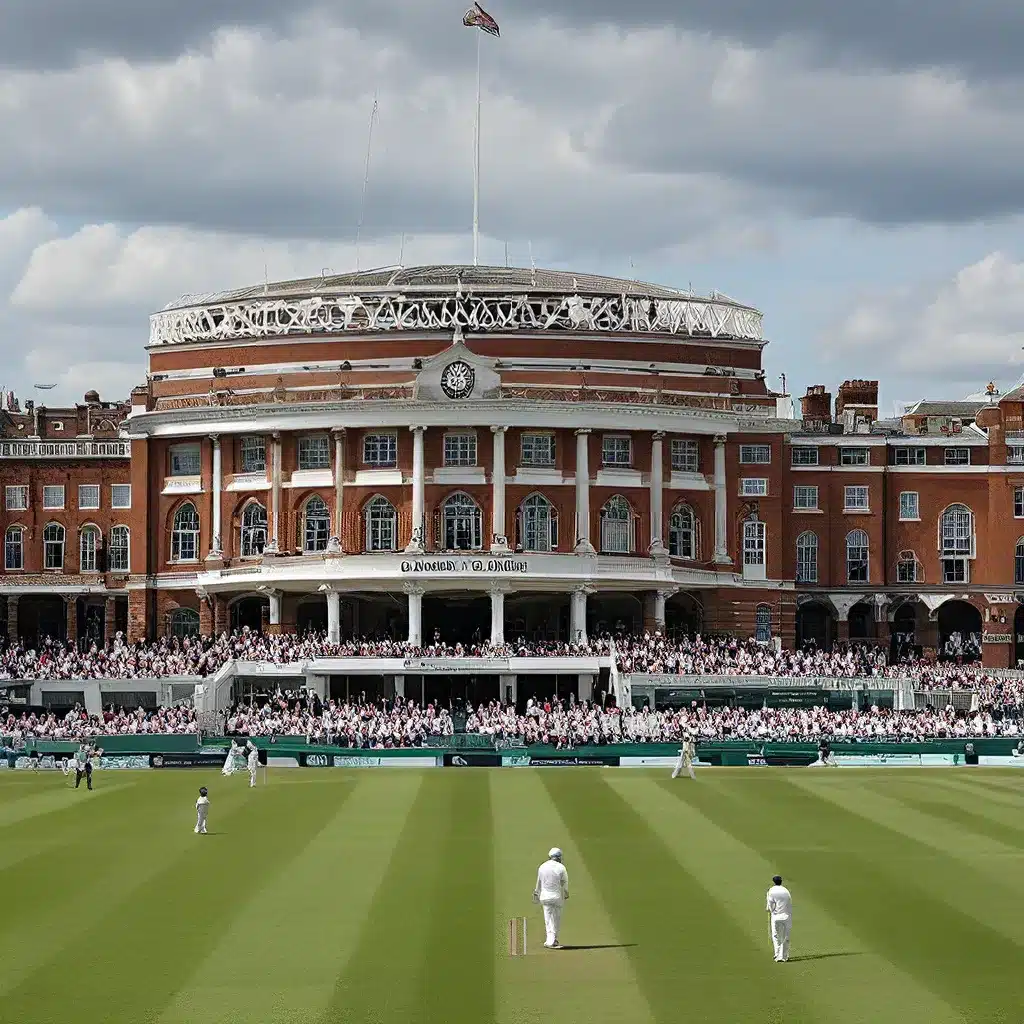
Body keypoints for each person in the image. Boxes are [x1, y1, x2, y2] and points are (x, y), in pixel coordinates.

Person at [533, 847, 570, 949]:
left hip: (544, 897)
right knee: (556, 919)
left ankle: (550, 940)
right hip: (556, 897)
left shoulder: (542, 867)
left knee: (548, 919)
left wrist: (536, 893)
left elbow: (538, 882)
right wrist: (566, 893)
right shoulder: (561, 867)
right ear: (558, 857)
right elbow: (565, 882)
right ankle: (552, 940)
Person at [766, 874, 793, 962]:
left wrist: (770, 910)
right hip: (786, 916)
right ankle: (784, 956)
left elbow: (770, 905)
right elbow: (789, 903)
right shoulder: (786, 890)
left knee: (776, 935)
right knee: (785, 936)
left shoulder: (771, 891)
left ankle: (777, 954)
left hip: (776, 916)